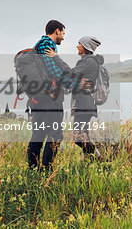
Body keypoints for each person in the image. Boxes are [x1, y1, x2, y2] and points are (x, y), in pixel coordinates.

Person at [27, 20, 89, 170]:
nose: (63, 37)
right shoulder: (48, 44)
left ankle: (33, 170)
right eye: (63, 33)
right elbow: (54, 72)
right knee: (55, 135)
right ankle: (46, 170)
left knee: (38, 134)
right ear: (57, 31)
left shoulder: (39, 45)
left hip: (37, 98)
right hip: (50, 98)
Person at [45, 36, 103, 159]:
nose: (77, 46)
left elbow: (70, 72)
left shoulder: (89, 62)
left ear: (86, 47)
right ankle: (88, 161)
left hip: (84, 104)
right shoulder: (86, 61)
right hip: (83, 103)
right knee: (83, 135)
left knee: (78, 138)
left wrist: (55, 57)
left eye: (79, 44)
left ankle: (100, 158)